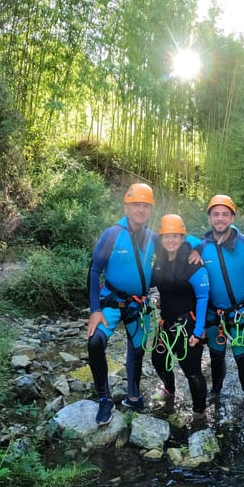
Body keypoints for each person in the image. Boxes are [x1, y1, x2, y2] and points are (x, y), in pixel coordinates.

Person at [87, 182, 157, 426]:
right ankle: (104, 398)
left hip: (139, 306)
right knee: (95, 342)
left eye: (145, 206)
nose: (140, 210)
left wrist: (195, 249)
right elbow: (94, 270)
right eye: (135, 205)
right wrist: (95, 310)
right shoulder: (112, 234)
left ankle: (134, 396)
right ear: (127, 208)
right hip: (111, 302)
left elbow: (177, 243)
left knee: (137, 351)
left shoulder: (151, 237)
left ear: (150, 210)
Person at [149, 214, 210, 418]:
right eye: (167, 236)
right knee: (158, 359)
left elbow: (203, 298)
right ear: (161, 238)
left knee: (191, 370)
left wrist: (199, 330)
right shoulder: (160, 261)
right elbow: (146, 282)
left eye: (175, 236)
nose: (171, 240)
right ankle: (169, 390)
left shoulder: (193, 263)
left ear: (183, 238)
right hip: (166, 323)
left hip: (188, 325)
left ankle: (200, 412)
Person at [197, 194, 244, 404]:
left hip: (239, 313)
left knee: (243, 360)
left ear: (232, 218)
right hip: (215, 313)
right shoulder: (201, 247)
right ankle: (217, 390)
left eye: (225, 214)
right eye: (215, 214)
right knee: (216, 356)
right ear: (209, 218)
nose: (220, 218)